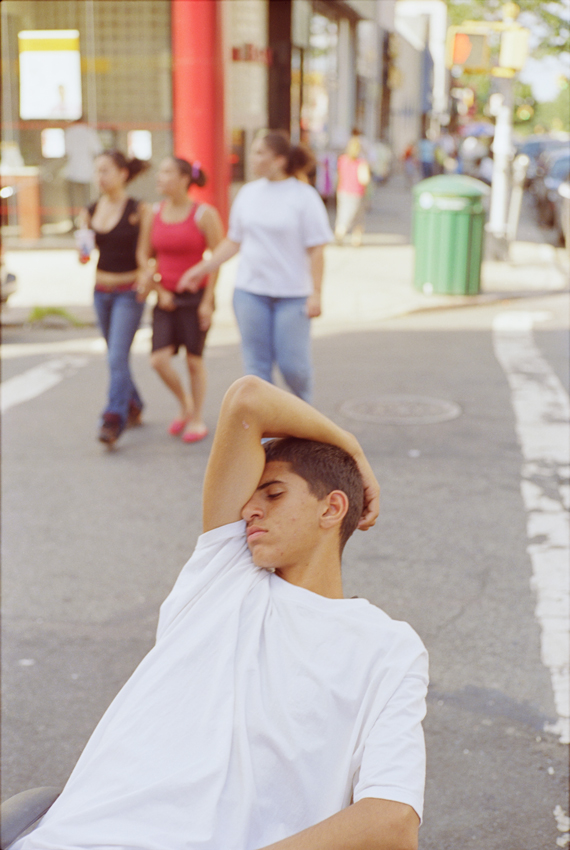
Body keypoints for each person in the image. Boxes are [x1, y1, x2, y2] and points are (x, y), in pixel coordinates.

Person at [12, 375, 428, 850]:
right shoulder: (224, 574)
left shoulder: (387, 647)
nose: (250, 508)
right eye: (250, 496)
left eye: (273, 495)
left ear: (332, 508)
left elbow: (393, 821)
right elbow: (247, 400)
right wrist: (350, 444)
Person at [180, 131, 333, 404]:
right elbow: (233, 241)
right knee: (257, 372)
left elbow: (317, 249)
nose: (252, 158)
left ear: (279, 160)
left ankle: (306, 415)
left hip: (293, 295)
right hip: (250, 293)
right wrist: (201, 269)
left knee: (293, 367)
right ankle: (265, 436)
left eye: (259, 152)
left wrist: (316, 293)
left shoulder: (304, 196)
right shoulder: (248, 194)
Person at [137, 157, 224, 442]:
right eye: (159, 172)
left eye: (166, 172)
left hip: (196, 297)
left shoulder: (204, 214)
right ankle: (184, 403)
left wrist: (208, 301)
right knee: (158, 360)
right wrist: (158, 289)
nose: (159, 178)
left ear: (185, 179)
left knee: (194, 362)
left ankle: (196, 418)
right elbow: (144, 255)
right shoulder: (154, 212)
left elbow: (217, 259)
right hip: (165, 297)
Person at [80, 149, 151, 445]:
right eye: (97, 171)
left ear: (123, 174)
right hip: (101, 292)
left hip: (128, 292)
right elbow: (85, 256)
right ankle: (134, 403)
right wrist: (82, 247)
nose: (100, 177)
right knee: (115, 356)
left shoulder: (139, 209)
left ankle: (113, 418)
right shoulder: (90, 209)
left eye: (106, 170)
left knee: (116, 356)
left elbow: (144, 254)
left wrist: (149, 277)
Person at [64, 117, 102, 227]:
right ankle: (87, 223)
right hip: (87, 171)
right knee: (87, 200)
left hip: (72, 171)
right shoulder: (89, 132)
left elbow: (67, 152)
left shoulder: (69, 132)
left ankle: (74, 223)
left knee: (74, 200)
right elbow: (98, 150)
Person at [334, 135, 371, 247]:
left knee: (344, 213)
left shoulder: (342, 160)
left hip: (342, 191)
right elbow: (364, 179)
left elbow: (338, 176)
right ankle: (353, 237)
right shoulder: (361, 162)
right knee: (357, 217)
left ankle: (341, 232)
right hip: (356, 193)